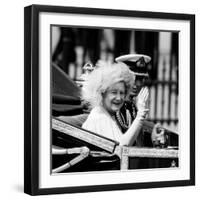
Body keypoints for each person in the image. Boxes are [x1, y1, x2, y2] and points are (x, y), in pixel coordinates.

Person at [81, 61, 149, 146]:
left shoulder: (107, 114)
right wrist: (140, 115)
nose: (119, 98)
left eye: (122, 93)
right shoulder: (100, 116)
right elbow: (121, 147)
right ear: (102, 93)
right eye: (114, 92)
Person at [115, 54, 166, 147]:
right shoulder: (114, 106)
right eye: (133, 78)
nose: (137, 84)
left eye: (140, 79)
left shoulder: (132, 107)